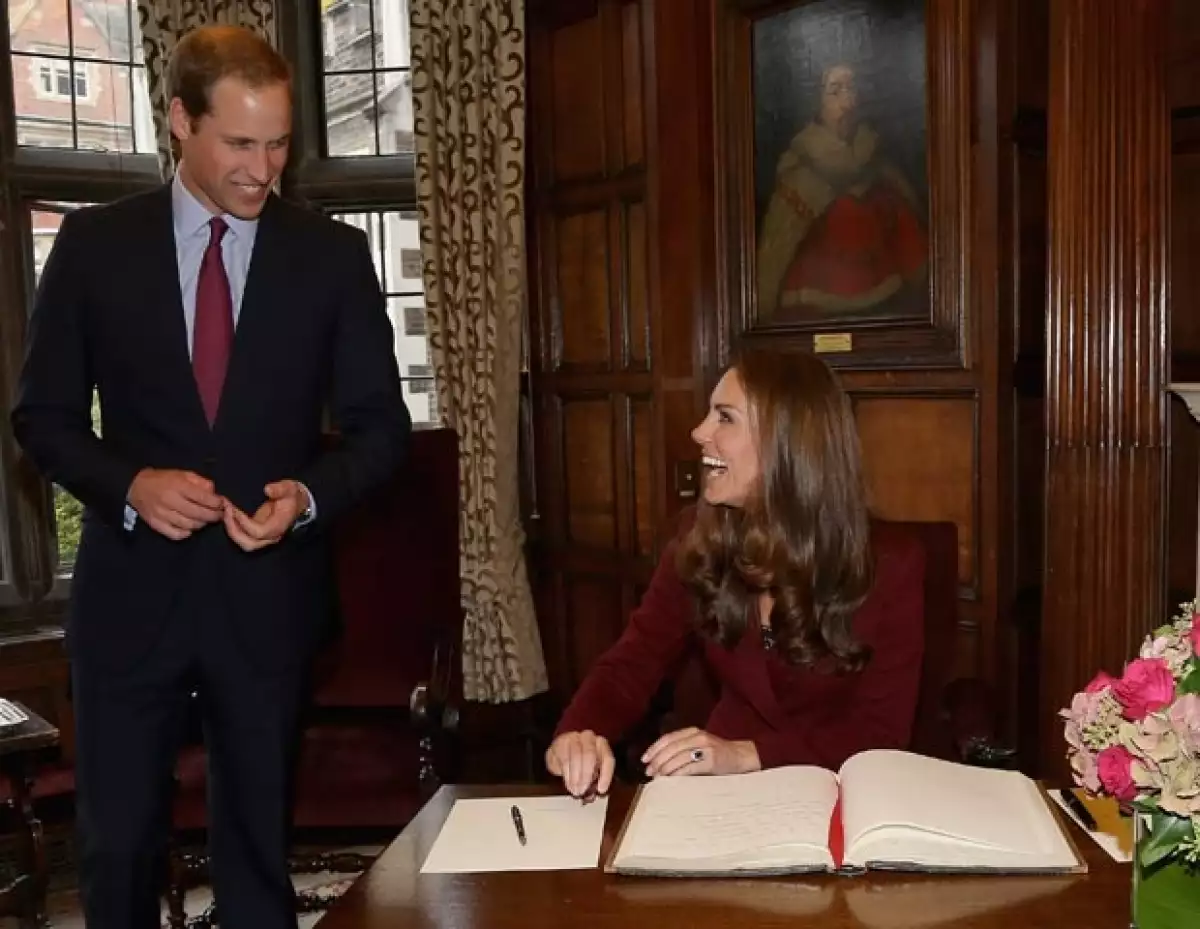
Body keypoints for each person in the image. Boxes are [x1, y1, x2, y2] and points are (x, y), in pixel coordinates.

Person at [10, 25, 410, 929]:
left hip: (268, 600)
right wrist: (130, 484)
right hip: (128, 603)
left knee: (257, 857)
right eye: (239, 142)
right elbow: (42, 419)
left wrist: (305, 498)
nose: (262, 170)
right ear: (179, 120)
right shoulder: (91, 247)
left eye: (278, 145)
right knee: (114, 855)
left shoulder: (332, 258)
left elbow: (380, 432)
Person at [545, 348, 924, 798]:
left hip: (840, 796)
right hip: (724, 798)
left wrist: (747, 755)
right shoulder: (698, 538)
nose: (698, 431)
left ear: (787, 443)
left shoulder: (891, 563)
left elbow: (879, 736)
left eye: (724, 418)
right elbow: (634, 663)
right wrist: (577, 734)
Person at [756, 62, 927, 321]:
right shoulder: (800, 172)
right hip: (811, 309)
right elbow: (776, 250)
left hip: (885, 306)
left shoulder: (877, 164)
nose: (846, 102)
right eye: (835, 91)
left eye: (850, 90)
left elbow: (908, 234)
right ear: (818, 104)